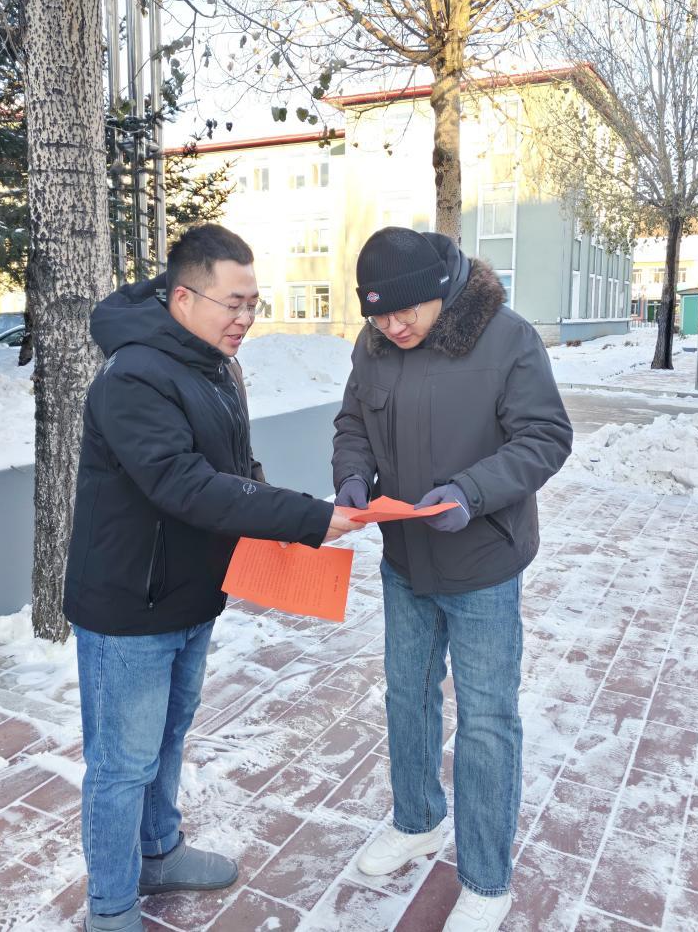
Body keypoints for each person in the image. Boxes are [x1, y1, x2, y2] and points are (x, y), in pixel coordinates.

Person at [65, 224, 364, 932]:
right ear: (183, 298)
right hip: (130, 606)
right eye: (233, 303)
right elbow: (182, 483)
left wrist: (279, 515)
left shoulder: (211, 366)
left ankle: (159, 852)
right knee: (122, 763)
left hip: (190, 594)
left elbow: (233, 468)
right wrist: (302, 517)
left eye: (253, 303)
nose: (244, 318)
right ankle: (110, 907)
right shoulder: (134, 375)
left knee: (167, 739)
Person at [332, 227, 573, 932]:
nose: (391, 327)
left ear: (438, 292)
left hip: (482, 564)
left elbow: (545, 437)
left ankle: (487, 879)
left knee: (486, 720)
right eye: (377, 315)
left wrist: (471, 491)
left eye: (402, 312)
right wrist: (352, 475)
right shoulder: (375, 344)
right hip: (405, 559)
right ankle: (416, 821)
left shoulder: (507, 338)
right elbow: (352, 422)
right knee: (405, 697)